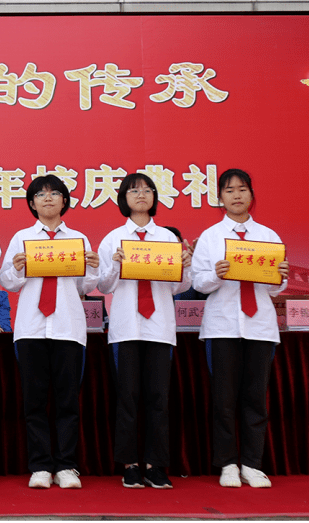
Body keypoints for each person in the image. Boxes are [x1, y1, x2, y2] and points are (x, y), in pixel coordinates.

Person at [0, 174, 100, 490]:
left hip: (68, 328)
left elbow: (88, 286)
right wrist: (16, 266)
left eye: (54, 193)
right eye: (40, 194)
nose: (48, 198)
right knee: (35, 401)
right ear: (31, 203)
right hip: (31, 328)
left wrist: (93, 266)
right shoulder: (21, 238)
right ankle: (41, 466)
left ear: (64, 201)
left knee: (67, 400)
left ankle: (67, 465)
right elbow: (7, 282)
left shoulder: (79, 239)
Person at [191, 168, 288, 489]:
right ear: (220, 198)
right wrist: (217, 274)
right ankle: (228, 464)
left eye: (242, 189)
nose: (236, 195)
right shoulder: (210, 237)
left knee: (255, 398)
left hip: (259, 326)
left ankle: (252, 463)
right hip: (222, 327)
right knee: (224, 399)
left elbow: (277, 287)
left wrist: (282, 274)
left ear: (251, 196)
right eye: (229, 190)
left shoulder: (269, 236)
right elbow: (200, 283)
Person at [95, 173, 192, 489]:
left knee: (157, 397)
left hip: (159, 326)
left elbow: (179, 286)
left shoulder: (166, 238)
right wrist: (115, 265)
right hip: (125, 327)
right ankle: (130, 464)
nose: (140, 194)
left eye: (147, 189)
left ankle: (155, 464)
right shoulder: (113, 238)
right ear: (123, 197)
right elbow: (104, 285)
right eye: (133, 190)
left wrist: (185, 265)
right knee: (128, 397)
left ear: (154, 197)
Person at [167, 227, 209, 301]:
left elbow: (204, 293)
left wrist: (198, 262)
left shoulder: (189, 268)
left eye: (176, 245)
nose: (173, 249)